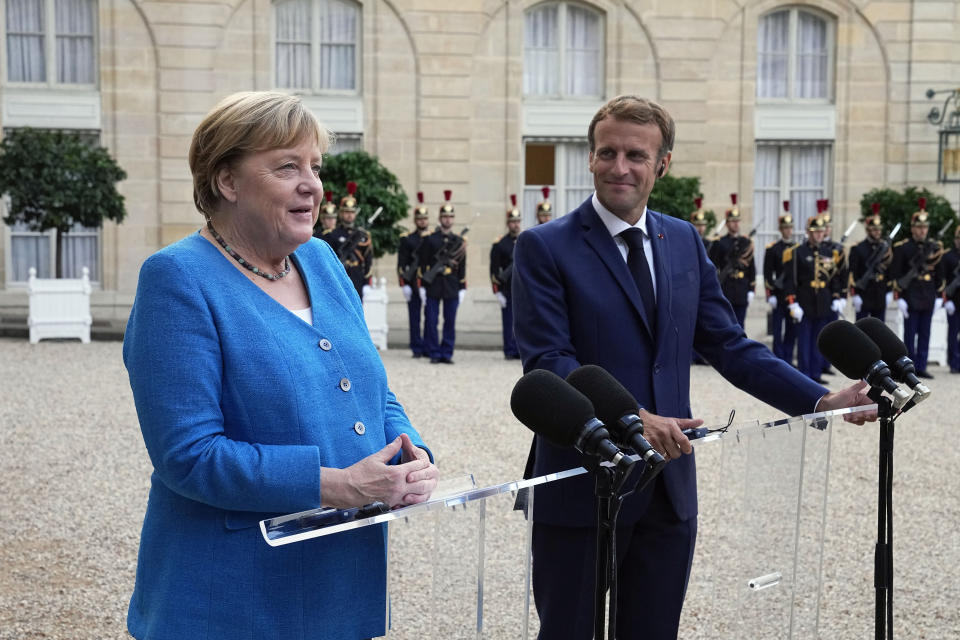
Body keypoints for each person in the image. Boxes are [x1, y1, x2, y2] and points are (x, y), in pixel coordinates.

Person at [511, 95, 874, 640]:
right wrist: (633, 417)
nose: (619, 167)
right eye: (606, 152)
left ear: (663, 163)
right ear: (589, 158)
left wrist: (818, 399)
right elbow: (549, 362)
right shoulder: (544, 246)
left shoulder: (681, 239)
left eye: (636, 155)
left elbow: (728, 344)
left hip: (667, 489)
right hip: (583, 485)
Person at [122, 91, 439, 640]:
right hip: (231, 597)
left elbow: (371, 389)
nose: (312, 184)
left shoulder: (321, 258)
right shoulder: (177, 280)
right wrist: (338, 485)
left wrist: (409, 452)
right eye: (287, 166)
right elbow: (189, 457)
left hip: (342, 585)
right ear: (227, 181)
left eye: (315, 166)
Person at [783, 215, 844, 383]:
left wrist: (837, 296)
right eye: (814, 232)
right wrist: (792, 302)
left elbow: (834, 278)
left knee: (820, 341)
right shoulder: (797, 252)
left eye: (820, 232)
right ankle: (805, 374)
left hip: (823, 301)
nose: (818, 235)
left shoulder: (829, 253)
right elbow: (790, 280)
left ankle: (816, 373)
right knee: (804, 340)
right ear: (808, 233)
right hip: (804, 301)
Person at [890, 199, 944, 379]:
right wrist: (900, 297)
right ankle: (908, 367)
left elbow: (939, 274)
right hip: (911, 296)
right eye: (919, 227)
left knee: (925, 334)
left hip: (927, 295)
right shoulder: (904, 248)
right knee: (910, 334)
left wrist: (938, 296)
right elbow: (896, 274)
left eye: (925, 227)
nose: (922, 230)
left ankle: (921, 366)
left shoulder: (934, 248)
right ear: (912, 228)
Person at [419, 189, 466, 364]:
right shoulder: (430, 239)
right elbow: (422, 264)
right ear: (440, 218)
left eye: (450, 216)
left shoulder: (459, 241)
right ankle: (434, 352)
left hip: (452, 285)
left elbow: (462, 266)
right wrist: (422, 285)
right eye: (445, 216)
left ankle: (447, 352)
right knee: (431, 321)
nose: (448, 219)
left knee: (450, 321)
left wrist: (462, 287)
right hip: (433, 284)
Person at [708, 193, 755, 329]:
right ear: (727, 223)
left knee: (741, 325)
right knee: (726, 324)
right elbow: (713, 266)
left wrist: (751, 289)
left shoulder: (746, 242)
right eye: (733, 221)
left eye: (737, 221)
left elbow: (751, 266)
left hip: (742, 288)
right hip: (726, 287)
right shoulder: (720, 243)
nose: (736, 223)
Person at [763, 202, 797, 365]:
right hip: (778, 293)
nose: (788, 230)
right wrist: (769, 294)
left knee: (792, 329)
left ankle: (788, 359)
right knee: (777, 330)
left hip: (793, 296)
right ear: (780, 229)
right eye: (785, 228)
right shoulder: (773, 249)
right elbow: (767, 273)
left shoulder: (798, 249)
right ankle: (778, 360)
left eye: (790, 227)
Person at [397, 192, 430, 358]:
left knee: (430, 317)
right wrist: (403, 284)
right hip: (412, 282)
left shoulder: (432, 238)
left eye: (425, 219)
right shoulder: (407, 239)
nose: (422, 221)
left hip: (428, 282)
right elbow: (401, 262)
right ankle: (417, 347)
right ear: (415, 220)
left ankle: (429, 346)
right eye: (419, 219)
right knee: (414, 316)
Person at [328, 181, 373, 300]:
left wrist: (367, 282)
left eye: (352, 212)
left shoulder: (363, 235)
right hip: (339, 279)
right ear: (341, 213)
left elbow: (368, 260)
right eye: (346, 212)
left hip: (357, 278)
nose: (349, 215)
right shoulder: (333, 234)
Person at [848, 204, 894, 321]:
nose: (877, 232)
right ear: (868, 230)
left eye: (879, 229)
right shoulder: (858, 248)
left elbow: (889, 271)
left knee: (879, 333)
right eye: (874, 229)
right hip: (864, 294)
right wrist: (855, 294)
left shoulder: (885, 248)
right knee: (861, 332)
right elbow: (852, 272)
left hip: (880, 294)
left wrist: (889, 291)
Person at [490, 195, 522, 360]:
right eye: (512, 221)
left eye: (517, 221)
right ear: (507, 223)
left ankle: (519, 350)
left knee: (522, 323)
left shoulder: (526, 240)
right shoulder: (500, 244)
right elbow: (494, 269)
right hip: (507, 288)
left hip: (522, 289)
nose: (515, 224)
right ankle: (509, 349)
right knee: (508, 321)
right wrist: (497, 291)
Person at [942, 226, 960, 373]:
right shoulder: (948, 256)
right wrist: (946, 300)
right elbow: (942, 280)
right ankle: (954, 363)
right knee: (953, 334)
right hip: (954, 302)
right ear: (955, 240)